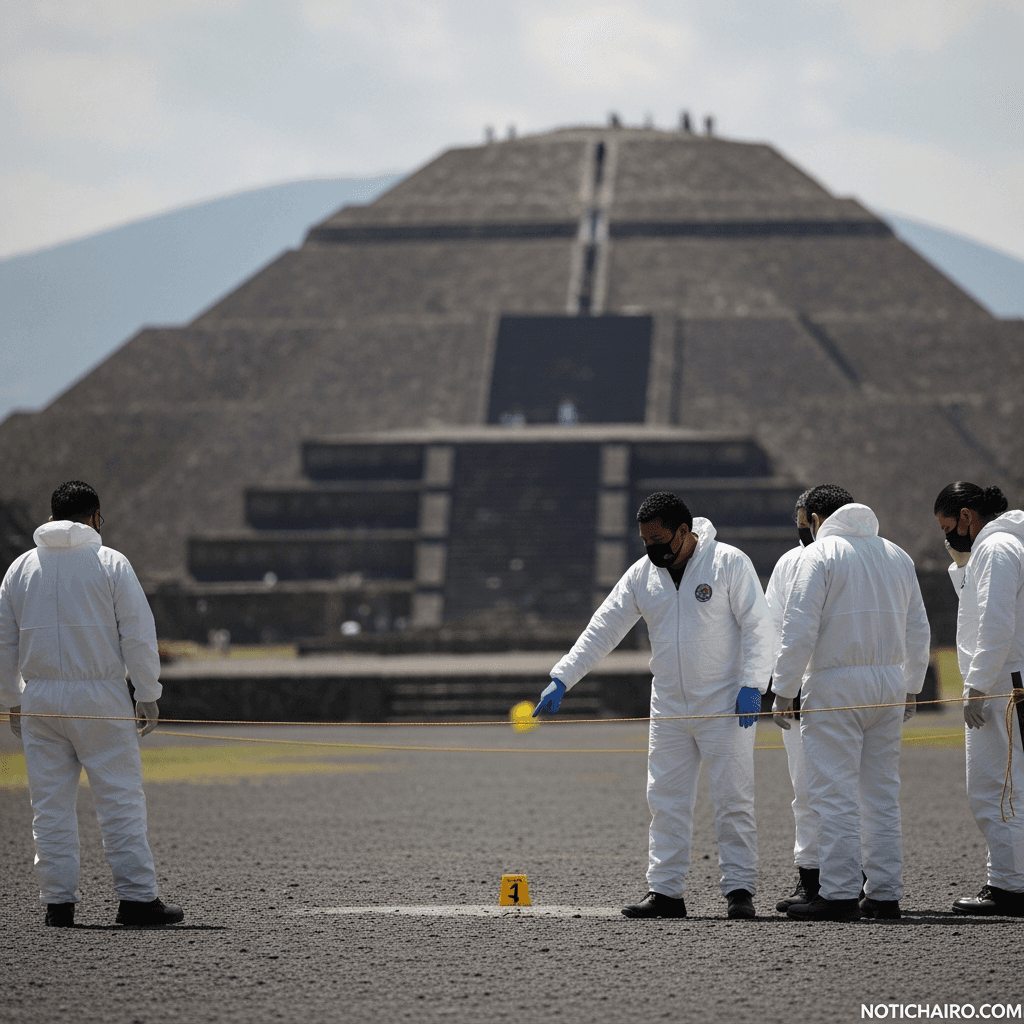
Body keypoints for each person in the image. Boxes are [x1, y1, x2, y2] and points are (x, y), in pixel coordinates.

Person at [534, 491, 774, 919]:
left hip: (727, 705)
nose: (652, 548)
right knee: (664, 798)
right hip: (668, 707)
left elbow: (759, 625)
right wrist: (563, 676)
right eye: (645, 540)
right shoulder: (642, 575)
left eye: (659, 539)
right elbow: (604, 627)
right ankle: (665, 892)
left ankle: (739, 890)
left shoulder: (729, 562)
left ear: (684, 531)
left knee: (733, 798)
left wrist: (753, 684)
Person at [0, 481, 183, 928]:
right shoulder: (110, 563)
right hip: (100, 695)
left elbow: (4, 643)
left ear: (51, 516)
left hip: (40, 697)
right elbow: (138, 634)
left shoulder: (20, 568)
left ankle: (58, 904)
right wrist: (147, 693)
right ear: (95, 516)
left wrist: (11, 700)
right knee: (119, 799)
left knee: (49, 805)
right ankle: (137, 900)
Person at [772, 485, 930, 921]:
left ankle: (838, 893)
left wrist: (784, 688)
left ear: (819, 518)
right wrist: (912, 685)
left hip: (834, 683)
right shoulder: (897, 555)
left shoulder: (819, 557)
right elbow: (918, 626)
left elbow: (797, 626)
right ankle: (884, 894)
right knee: (881, 794)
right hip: (889, 684)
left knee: (833, 793)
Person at [934, 482, 1024, 917]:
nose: (948, 536)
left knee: (996, 786)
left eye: (949, 527)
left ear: (967, 517)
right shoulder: (1002, 546)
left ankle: (1008, 885)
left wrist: (977, 686)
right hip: (1008, 679)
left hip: (1004, 685)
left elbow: (994, 621)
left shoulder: (995, 549)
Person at [764, 489, 821, 912]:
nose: (804, 533)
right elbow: (775, 629)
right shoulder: (790, 563)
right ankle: (812, 877)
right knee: (805, 790)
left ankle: (861, 878)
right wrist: (783, 686)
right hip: (803, 690)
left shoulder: (868, 557)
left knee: (860, 791)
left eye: (808, 524)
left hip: (844, 691)